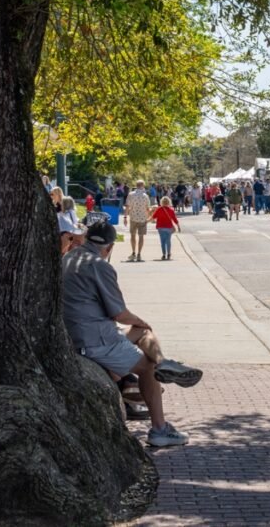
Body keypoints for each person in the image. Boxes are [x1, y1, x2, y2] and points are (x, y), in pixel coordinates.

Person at [62, 221, 202, 447]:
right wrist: (141, 320)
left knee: (141, 332)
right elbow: (120, 314)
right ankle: (159, 429)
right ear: (108, 248)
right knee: (146, 365)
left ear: (87, 239)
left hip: (79, 333)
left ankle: (164, 362)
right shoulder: (100, 266)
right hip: (94, 340)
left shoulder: (68, 259)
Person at [124, 180, 151, 262]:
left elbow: (127, 207)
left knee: (133, 236)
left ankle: (133, 252)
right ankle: (139, 254)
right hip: (143, 218)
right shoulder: (146, 196)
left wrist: (125, 217)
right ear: (143, 186)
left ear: (136, 185)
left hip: (133, 218)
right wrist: (149, 217)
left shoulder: (131, 194)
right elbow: (148, 209)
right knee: (141, 236)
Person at [151, 196, 181, 261]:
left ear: (161, 202)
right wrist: (178, 226)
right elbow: (175, 219)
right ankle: (169, 254)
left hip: (160, 227)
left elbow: (153, 217)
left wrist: (147, 220)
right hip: (169, 227)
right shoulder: (171, 210)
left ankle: (164, 254)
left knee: (162, 242)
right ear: (169, 202)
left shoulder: (159, 209)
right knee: (168, 241)